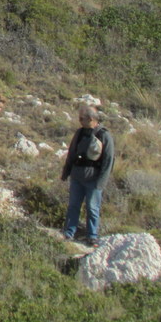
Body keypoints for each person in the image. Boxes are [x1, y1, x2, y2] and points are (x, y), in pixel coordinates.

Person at [60, 105, 115, 247]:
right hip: (77, 177)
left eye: (81, 118)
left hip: (93, 180)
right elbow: (72, 152)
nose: (79, 121)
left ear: (90, 119)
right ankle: (69, 232)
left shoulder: (104, 135)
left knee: (92, 208)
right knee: (73, 206)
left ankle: (92, 236)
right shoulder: (79, 133)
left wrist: (101, 182)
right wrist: (66, 171)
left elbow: (108, 160)